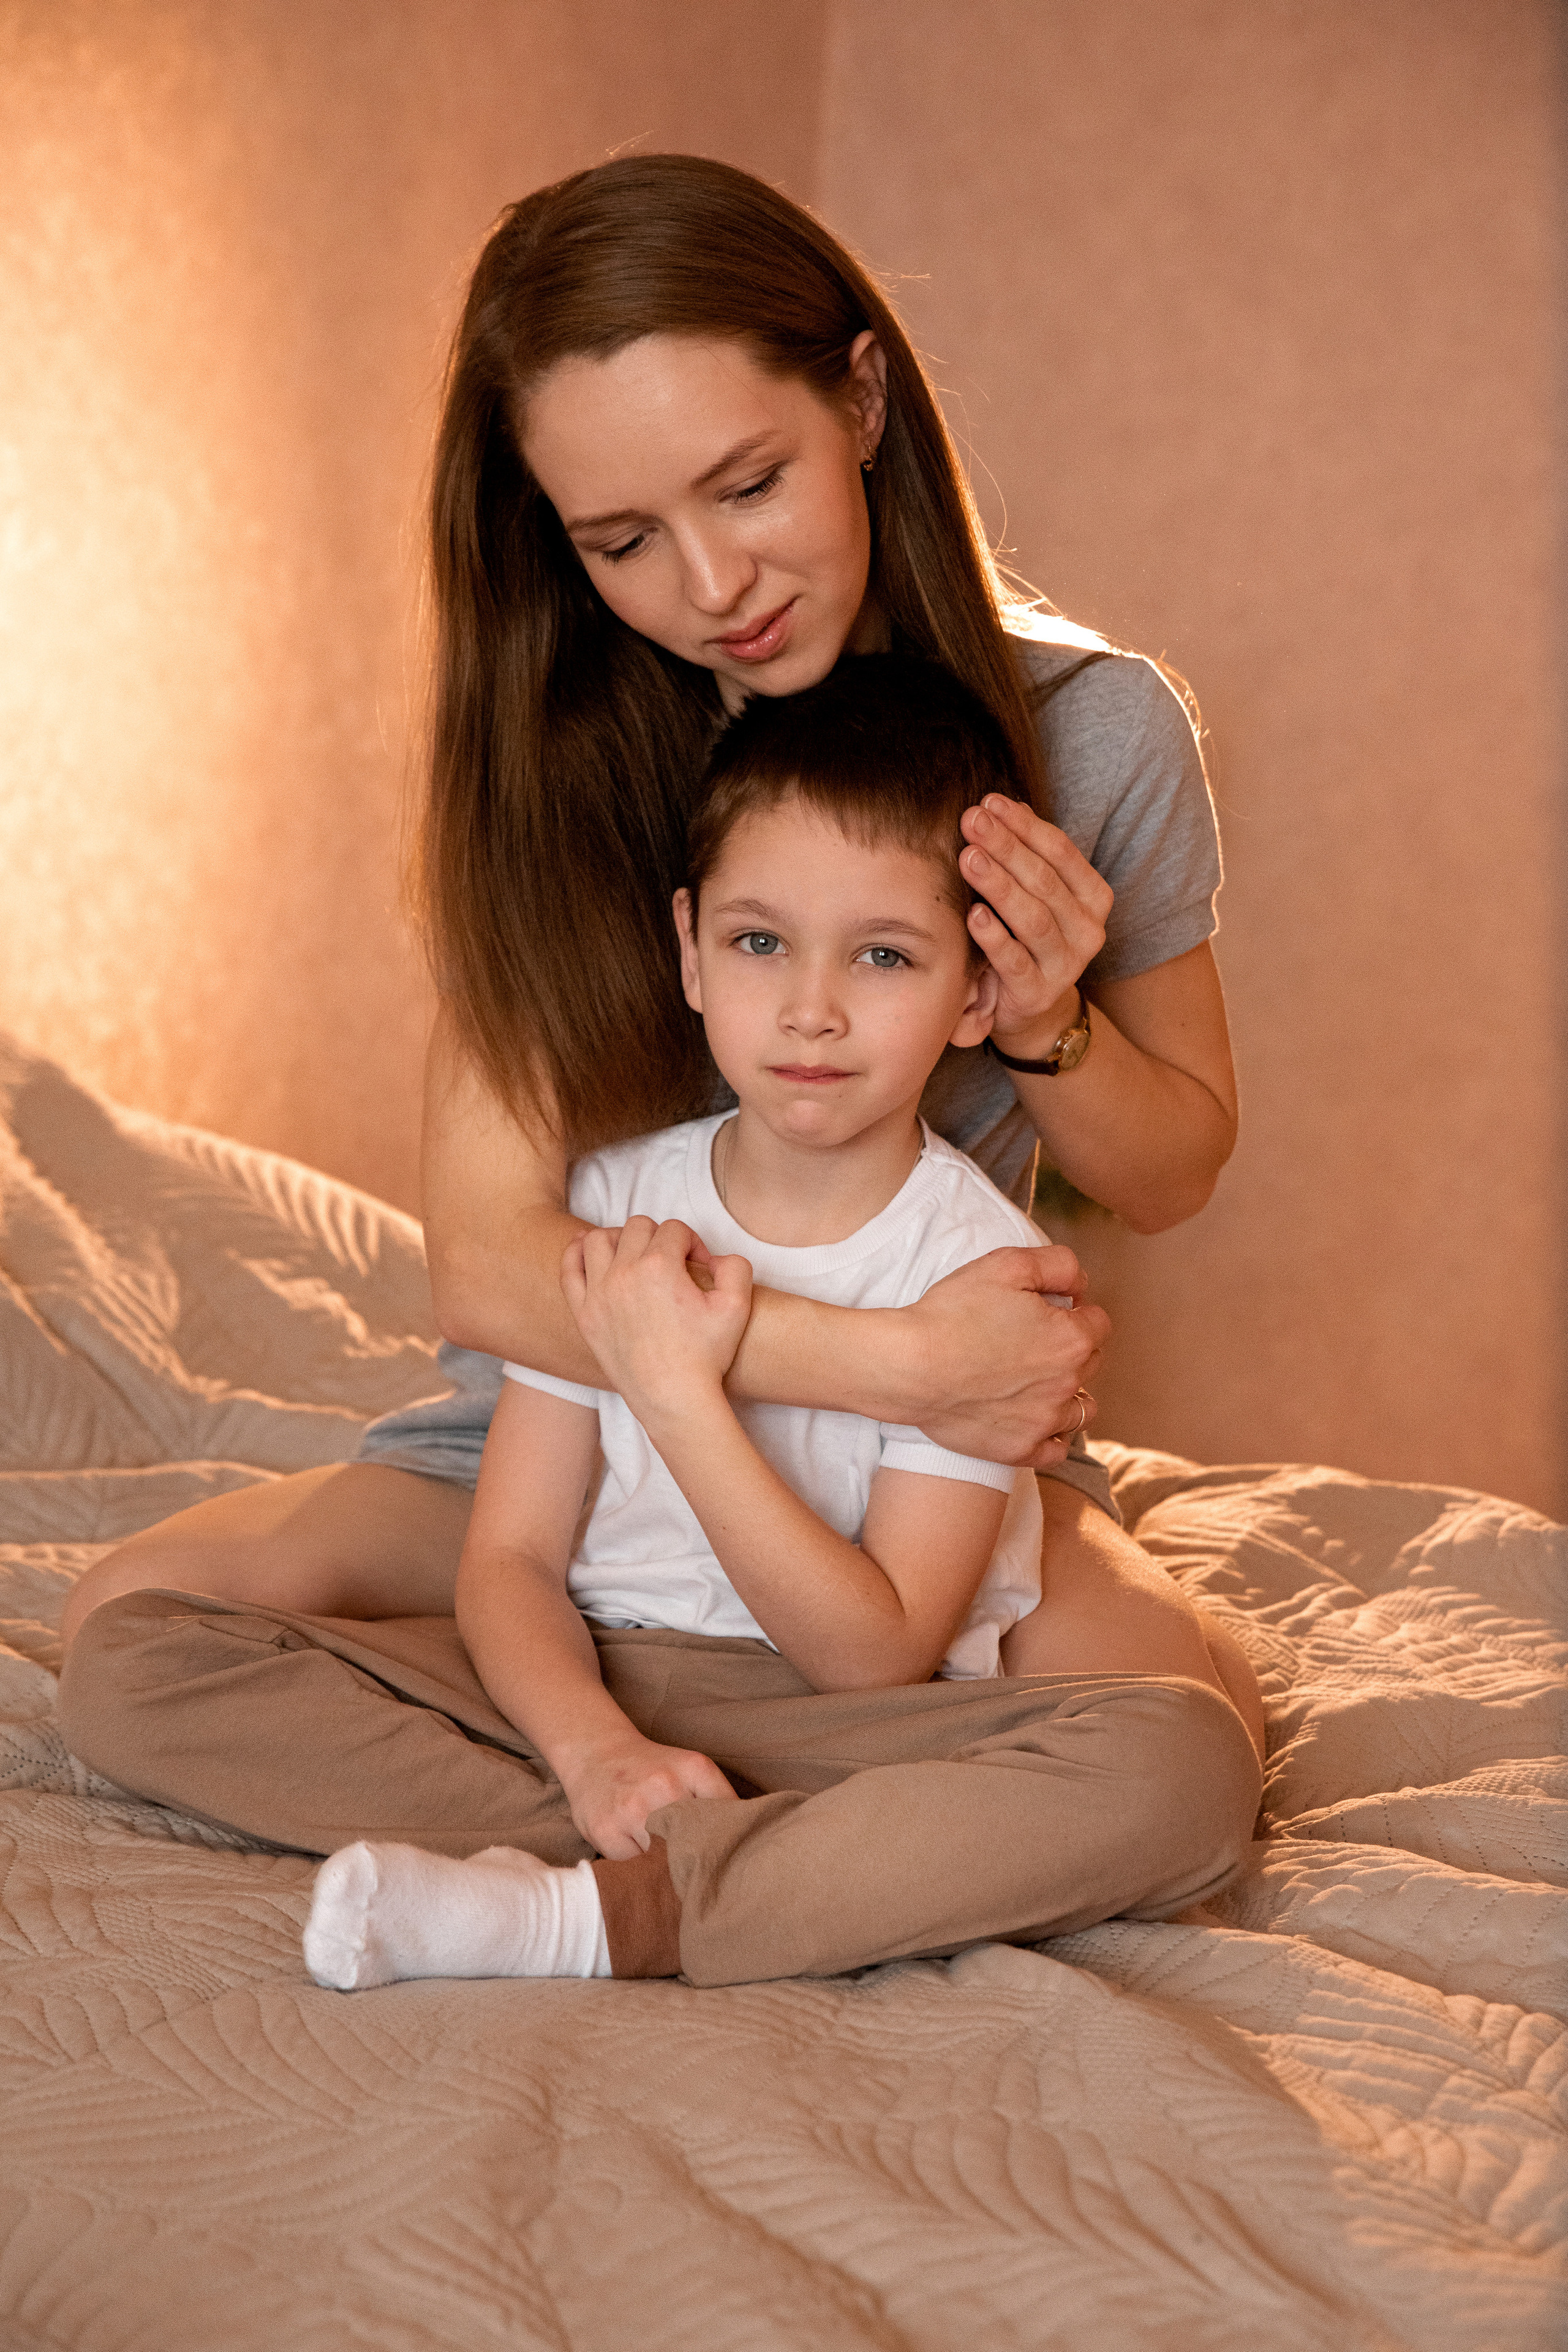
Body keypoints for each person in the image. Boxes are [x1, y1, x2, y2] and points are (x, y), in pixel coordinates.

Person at [58, 157, 1250, 1904]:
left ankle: (655, 1840)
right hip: (568, 1434)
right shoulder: (549, 776)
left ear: (859, 394)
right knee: (119, 1625)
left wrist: (1054, 1028)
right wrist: (900, 1357)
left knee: (1186, 1742)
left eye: (748, 484)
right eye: (624, 542)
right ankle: (747, 1833)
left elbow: (1175, 1172)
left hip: (906, 1488)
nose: (713, 584)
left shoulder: (1094, 734)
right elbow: (484, 1270)